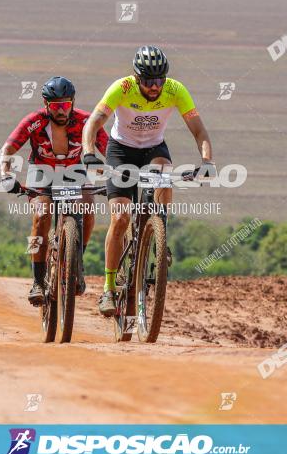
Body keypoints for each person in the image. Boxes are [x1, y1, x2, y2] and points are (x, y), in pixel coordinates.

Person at [81, 46, 216, 316]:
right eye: (148, 81)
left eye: (159, 80)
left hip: (154, 149)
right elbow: (93, 124)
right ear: (136, 77)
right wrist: (89, 153)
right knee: (120, 219)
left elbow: (199, 129)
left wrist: (207, 161)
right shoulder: (122, 88)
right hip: (121, 150)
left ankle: (159, 232)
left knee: (165, 174)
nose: (154, 87)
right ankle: (108, 289)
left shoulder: (175, 90)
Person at [0, 76, 108, 305]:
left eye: (66, 105)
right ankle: (37, 280)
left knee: (87, 210)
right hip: (42, 171)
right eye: (56, 106)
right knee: (40, 218)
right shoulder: (34, 121)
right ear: (46, 104)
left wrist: (118, 173)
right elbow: (8, 148)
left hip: (75, 170)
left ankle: (77, 261)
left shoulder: (86, 121)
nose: (61, 111)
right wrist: (4, 173)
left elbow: (109, 148)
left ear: (73, 103)